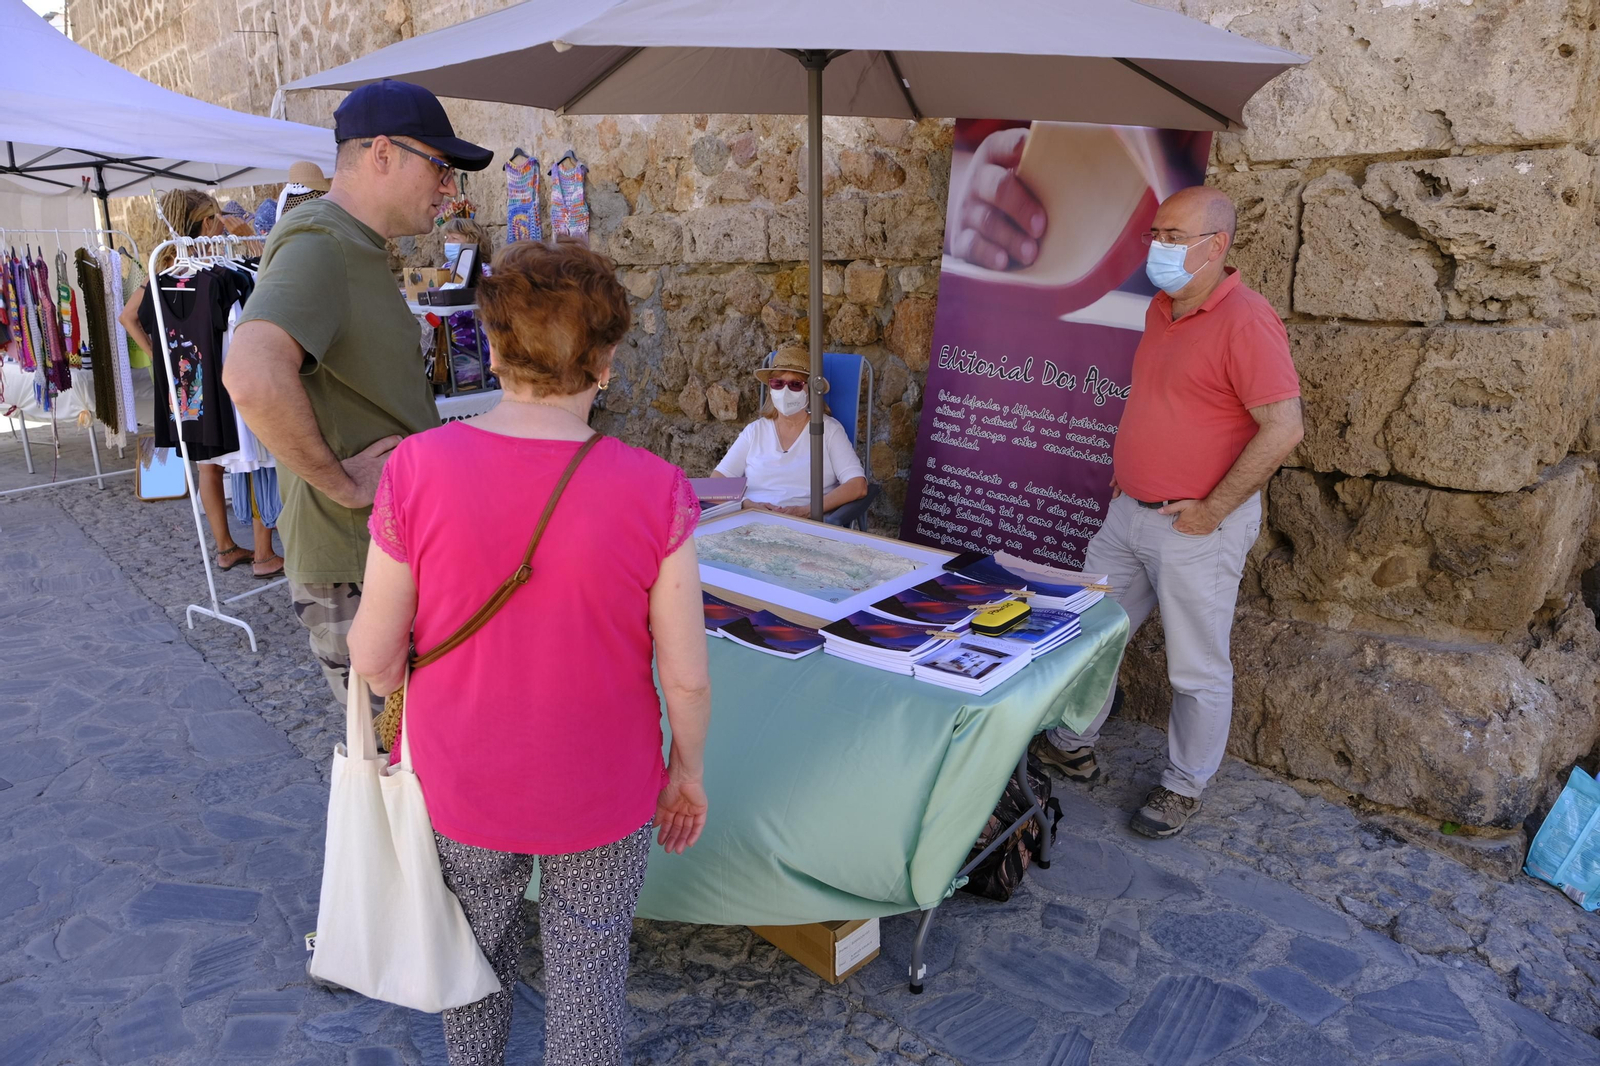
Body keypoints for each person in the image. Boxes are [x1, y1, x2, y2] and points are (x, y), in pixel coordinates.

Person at [347, 238, 710, 1066]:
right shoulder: (657, 490)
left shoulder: (416, 468)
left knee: (471, 974)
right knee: (589, 985)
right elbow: (685, 676)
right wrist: (686, 774)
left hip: (459, 779)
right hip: (604, 788)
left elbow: (373, 653)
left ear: (495, 347)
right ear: (607, 361)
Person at [1032, 185, 1304, 839]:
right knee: (1091, 635)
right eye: (1156, 233)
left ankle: (1184, 786)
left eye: (1174, 237)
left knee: (1196, 667)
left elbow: (1283, 428)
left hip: (1195, 528)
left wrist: (1211, 510)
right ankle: (1071, 740)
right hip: (1129, 514)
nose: (1158, 246)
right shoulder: (1162, 308)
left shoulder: (1247, 318)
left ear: (1217, 246)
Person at [223, 80, 492, 707]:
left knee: (414, 761)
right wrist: (344, 484)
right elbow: (251, 373)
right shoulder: (322, 242)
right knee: (395, 767)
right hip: (356, 563)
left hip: (380, 555)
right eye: (441, 166)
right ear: (381, 154)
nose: (450, 187)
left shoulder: (357, 245)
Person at [119, 187, 282, 578]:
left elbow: (128, 317)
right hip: (225, 375)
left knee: (207, 464)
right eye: (215, 216)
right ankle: (263, 553)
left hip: (188, 383)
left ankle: (225, 548)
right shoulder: (222, 271)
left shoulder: (164, 271)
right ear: (207, 223)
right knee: (252, 458)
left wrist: (163, 356)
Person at [711, 348, 867, 517]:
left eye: (795, 385)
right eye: (778, 383)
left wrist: (807, 510)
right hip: (750, 519)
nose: (785, 392)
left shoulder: (828, 430)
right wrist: (746, 504)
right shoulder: (755, 431)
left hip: (802, 524)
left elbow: (857, 485)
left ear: (812, 389)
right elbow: (717, 482)